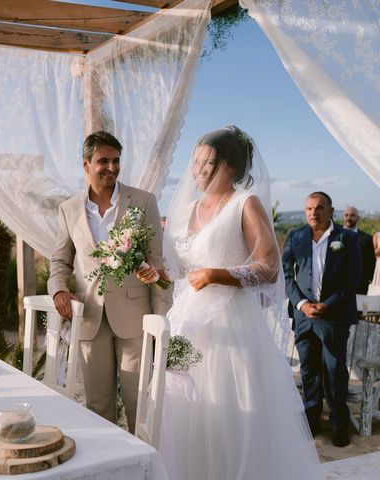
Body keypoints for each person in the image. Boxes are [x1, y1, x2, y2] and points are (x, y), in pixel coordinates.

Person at [138, 126, 322, 479]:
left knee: (233, 419)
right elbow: (181, 274)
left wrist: (216, 275)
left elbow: (268, 267)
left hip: (233, 327)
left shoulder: (245, 204)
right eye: (195, 162)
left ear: (232, 167)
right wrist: (155, 272)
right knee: (184, 415)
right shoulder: (189, 208)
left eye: (207, 163)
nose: (198, 170)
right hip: (188, 326)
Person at [48, 131, 170, 433]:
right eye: (103, 161)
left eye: (116, 161)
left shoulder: (143, 201)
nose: (111, 168)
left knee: (138, 406)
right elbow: (60, 260)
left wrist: (160, 317)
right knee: (96, 409)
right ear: (87, 164)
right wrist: (59, 290)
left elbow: (158, 261)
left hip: (135, 320)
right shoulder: (69, 209)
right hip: (89, 317)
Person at [283, 192, 362, 447]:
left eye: (319, 208)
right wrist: (303, 304)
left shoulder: (347, 239)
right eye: (308, 208)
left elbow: (354, 278)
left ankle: (339, 425)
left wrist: (327, 305)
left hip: (334, 317)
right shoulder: (296, 236)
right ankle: (312, 423)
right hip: (305, 317)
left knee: (335, 373)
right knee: (309, 373)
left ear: (331, 211)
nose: (313, 213)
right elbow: (287, 276)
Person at [342, 206, 375, 294]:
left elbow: (371, 262)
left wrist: (367, 280)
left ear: (358, 217)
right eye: (346, 215)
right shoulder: (333, 236)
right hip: (337, 286)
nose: (349, 218)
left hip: (360, 286)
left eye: (352, 215)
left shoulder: (367, 238)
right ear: (343, 217)